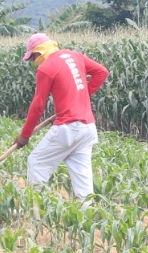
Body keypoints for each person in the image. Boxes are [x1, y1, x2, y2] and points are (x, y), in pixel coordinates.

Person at [15, 33, 110, 198]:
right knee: (84, 187)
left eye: (33, 57)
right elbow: (102, 72)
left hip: (68, 128)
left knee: (36, 162)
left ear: (39, 52)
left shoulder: (45, 68)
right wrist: (80, 97)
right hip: (88, 128)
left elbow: (38, 106)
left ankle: (35, 211)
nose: (33, 62)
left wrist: (25, 135)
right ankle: (87, 217)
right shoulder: (75, 56)